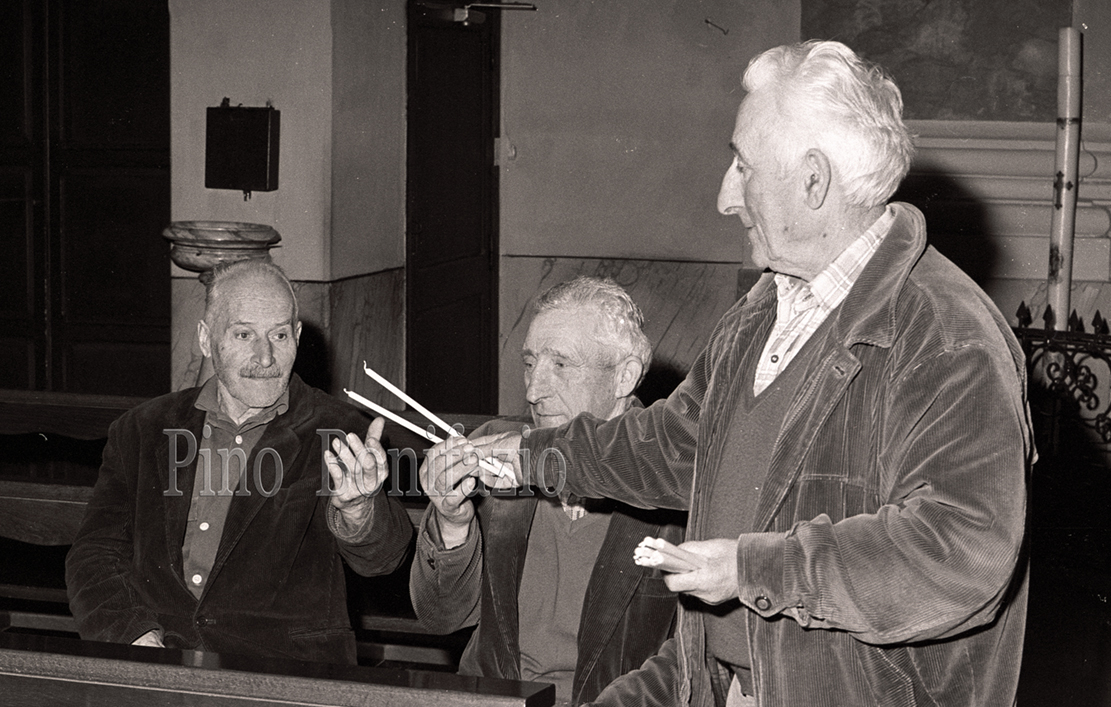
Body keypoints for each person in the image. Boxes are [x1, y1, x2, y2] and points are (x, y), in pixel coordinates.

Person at [449, 41, 1035, 706]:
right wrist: (533, 456)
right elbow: (675, 446)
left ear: (812, 181)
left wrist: (752, 569)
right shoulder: (763, 312)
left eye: (743, 166)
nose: (726, 196)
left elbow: (960, 553)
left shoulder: (945, 334)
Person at [66, 259, 413, 664]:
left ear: (297, 336)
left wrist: (359, 511)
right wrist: (134, 637)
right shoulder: (142, 429)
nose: (265, 358)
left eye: (279, 335)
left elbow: (384, 559)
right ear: (205, 338)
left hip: (284, 668)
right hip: (157, 657)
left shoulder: (339, 431)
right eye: (244, 334)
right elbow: (94, 554)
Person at [410, 276, 685, 706]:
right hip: (493, 699)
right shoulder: (495, 453)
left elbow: (695, 659)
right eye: (529, 363)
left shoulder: (676, 477)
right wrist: (451, 523)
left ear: (624, 377)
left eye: (560, 365)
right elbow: (441, 617)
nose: (534, 391)